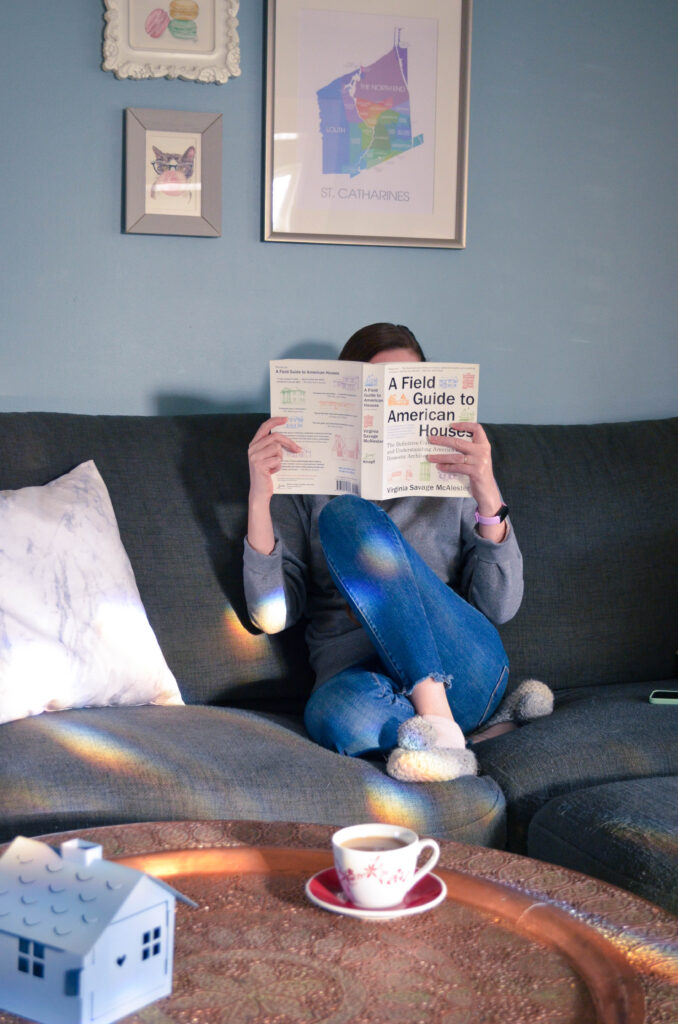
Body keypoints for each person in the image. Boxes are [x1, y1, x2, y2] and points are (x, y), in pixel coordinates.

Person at [243, 323, 527, 782]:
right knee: (334, 717)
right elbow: (271, 616)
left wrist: (487, 493)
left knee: (348, 518)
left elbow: (500, 605)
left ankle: (436, 717)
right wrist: (260, 497)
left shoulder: (453, 474)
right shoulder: (305, 484)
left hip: (462, 669)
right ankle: (465, 739)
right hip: (362, 682)